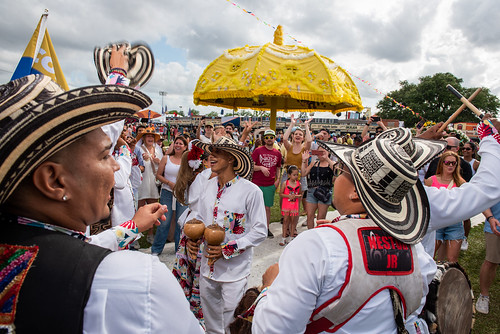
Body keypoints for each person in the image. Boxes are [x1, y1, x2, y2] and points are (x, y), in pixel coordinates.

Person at [0, 74, 204, 333]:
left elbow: (83, 245)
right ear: (53, 180)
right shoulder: (134, 281)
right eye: (104, 154)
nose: (116, 164)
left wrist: (132, 226)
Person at [252, 128, 442, 333]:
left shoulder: (316, 246)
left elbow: (272, 329)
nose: (336, 179)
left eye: (341, 172)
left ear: (355, 194)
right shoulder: (418, 253)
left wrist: (269, 287)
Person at [187, 137, 267, 334]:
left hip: (235, 271)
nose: (210, 157)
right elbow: (197, 216)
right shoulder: (206, 186)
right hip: (208, 267)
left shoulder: (251, 191)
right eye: (210, 152)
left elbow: (260, 231)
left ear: (231, 158)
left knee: (232, 321)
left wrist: (228, 249)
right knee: (211, 321)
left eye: (217, 153)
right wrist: (192, 238)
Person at [424, 151, 466, 262]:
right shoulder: (430, 180)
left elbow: (469, 200)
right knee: (429, 256)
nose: (450, 165)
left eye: (453, 163)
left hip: (454, 223)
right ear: (442, 163)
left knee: (452, 260)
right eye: (447, 162)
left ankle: (448, 278)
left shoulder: (461, 182)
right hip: (435, 222)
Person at [152, 135, 189, 254]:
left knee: (180, 222)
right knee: (164, 221)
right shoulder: (166, 158)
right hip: (167, 191)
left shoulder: (188, 160)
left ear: (185, 147)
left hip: (182, 193)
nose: (178, 145)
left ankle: (179, 250)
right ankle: (156, 249)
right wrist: (169, 183)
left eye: (180, 144)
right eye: (176, 143)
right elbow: (158, 175)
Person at [252, 129, 282, 238]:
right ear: (264, 139)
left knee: (267, 208)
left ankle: (266, 228)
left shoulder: (277, 153)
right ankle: (253, 227)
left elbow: (278, 167)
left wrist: (278, 180)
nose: (269, 139)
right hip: (257, 183)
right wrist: (260, 167)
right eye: (267, 137)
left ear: (274, 139)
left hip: (270, 184)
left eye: (271, 137)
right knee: (254, 207)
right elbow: (251, 167)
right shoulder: (258, 150)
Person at [282, 115, 313, 215]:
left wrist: (306, 125)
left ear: (303, 137)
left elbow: (309, 140)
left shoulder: (305, 148)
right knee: (285, 197)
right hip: (288, 175)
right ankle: (284, 217)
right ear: (293, 136)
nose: (298, 135)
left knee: (297, 200)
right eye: (296, 134)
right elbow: (284, 138)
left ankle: (294, 218)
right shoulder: (289, 147)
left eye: (300, 134)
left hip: (300, 175)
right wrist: (292, 124)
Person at [475, 200, 500, 314]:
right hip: (495, 228)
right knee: (491, 262)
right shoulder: (495, 182)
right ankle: (484, 296)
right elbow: (484, 200)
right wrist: (490, 218)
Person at [301, 147, 335, 229]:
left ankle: (318, 236)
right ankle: (310, 235)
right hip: (312, 191)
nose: (321, 153)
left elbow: (336, 171)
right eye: (319, 151)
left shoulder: (332, 163)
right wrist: (303, 160)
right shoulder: (314, 163)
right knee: (309, 215)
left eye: (323, 151)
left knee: (321, 218)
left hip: (325, 192)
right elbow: (303, 173)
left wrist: (327, 158)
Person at [279, 165, 301, 246]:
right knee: (285, 221)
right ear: (289, 175)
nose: (295, 176)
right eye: (294, 175)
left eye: (297, 175)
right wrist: (288, 196)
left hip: (294, 205)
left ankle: (291, 237)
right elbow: (281, 194)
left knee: (293, 221)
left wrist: (296, 196)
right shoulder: (285, 183)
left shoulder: (299, 184)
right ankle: (283, 237)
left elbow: (300, 194)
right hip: (286, 205)